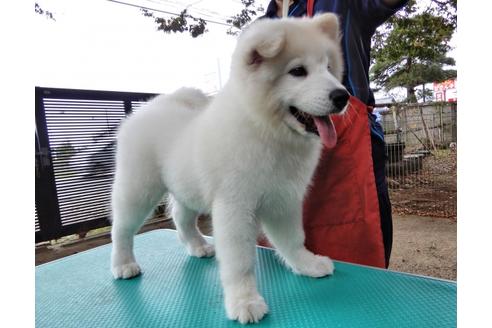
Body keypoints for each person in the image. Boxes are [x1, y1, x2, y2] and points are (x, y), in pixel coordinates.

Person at [262, 0, 409, 268]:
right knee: (278, 263)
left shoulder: (342, 4)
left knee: (358, 263)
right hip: (279, 155)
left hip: (350, 149)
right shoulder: (263, 28)